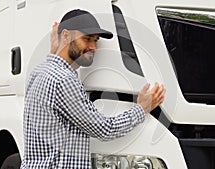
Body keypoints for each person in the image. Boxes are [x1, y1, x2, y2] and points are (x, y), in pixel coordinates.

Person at [20, 9, 165, 169]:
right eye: (87, 39)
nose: (93, 47)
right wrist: (142, 108)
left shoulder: (40, 71)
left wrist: (57, 48)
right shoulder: (64, 80)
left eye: (95, 40)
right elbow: (105, 129)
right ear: (66, 36)